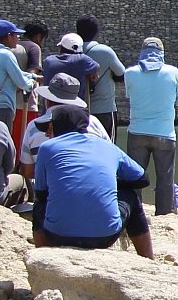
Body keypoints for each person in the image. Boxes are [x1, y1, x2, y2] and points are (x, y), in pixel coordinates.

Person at [31, 105, 153, 259]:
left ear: (61, 125)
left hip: (56, 234)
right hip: (106, 236)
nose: (47, 133)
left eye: (49, 127)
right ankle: (148, 258)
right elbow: (142, 179)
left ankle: (43, 257)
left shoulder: (47, 148)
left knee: (39, 204)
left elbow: (41, 193)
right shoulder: (107, 147)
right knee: (131, 195)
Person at [123, 36, 178, 216]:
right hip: (165, 134)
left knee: (134, 176)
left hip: (137, 132)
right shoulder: (172, 72)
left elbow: (129, 95)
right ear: (162, 53)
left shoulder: (130, 73)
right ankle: (164, 213)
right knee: (165, 178)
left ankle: (134, 211)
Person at [21, 74, 112, 178]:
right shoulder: (93, 122)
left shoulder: (34, 126)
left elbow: (28, 172)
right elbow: (110, 157)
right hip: (92, 184)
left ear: (47, 100)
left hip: (50, 189)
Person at [75, 15, 129, 137]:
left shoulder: (72, 51)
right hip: (104, 110)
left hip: (77, 111)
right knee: (108, 148)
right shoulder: (105, 51)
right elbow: (121, 74)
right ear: (97, 31)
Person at [0, 19, 34, 132]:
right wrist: (31, 83)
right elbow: (22, 82)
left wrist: (32, 76)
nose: (18, 38)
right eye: (16, 35)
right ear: (9, 36)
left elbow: (14, 73)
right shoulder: (6, 55)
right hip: (4, 106)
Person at [41, 33, 100, 100]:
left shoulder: (49, 61)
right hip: (75, 106)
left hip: (50, 106)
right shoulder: (82, 60)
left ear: (61, 47)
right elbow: (97, 67)